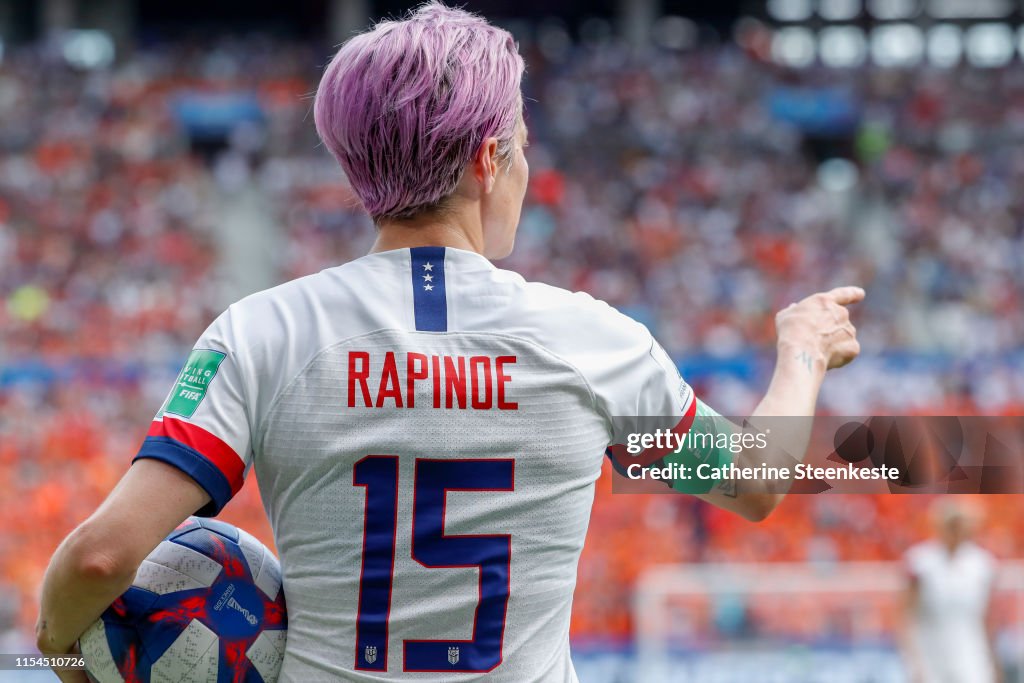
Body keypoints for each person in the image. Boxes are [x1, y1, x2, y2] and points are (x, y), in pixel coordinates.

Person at [35, 3, 862, 681]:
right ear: (487, 158)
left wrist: (67, 654)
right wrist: (802, 349)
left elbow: (103, 558)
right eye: (522, 152)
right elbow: (756, 483)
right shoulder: (591, 338)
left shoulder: (264, 330)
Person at [902, 499, 1001, 683]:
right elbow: (906, 614)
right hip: (931, 651)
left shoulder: (982, 564)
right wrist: (913, 659)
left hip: (971, 651)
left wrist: (994, 660)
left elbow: (987, 616)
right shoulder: (921, 561)